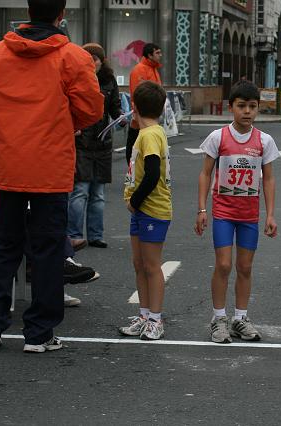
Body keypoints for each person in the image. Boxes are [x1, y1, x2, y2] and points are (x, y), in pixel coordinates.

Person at [0, 0, 104, 353]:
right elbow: (90, 109)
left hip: (6, 163)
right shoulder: (72, 56)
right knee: (47, 249)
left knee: (2, 247)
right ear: (61, 15)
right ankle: (39, 334)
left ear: (28, 10)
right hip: (50, 166)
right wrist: (61, 122)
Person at [195, 80, 279, 344]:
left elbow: (268, 179)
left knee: (245, 267)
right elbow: (206, 173)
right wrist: (202, 209)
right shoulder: (218, 137)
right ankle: (218, 318)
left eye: (252, 107)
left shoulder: (264, 140)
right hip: (223, 212)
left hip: (249, 215)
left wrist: (270, 214)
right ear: (230, 107)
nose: (247, 112)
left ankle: (240, 319)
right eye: (241, 106)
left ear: (258, 109)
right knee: (223, 265)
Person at [118, 81, 172, 341]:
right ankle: (143, 315)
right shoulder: (147, 131)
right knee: (139, 264)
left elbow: (151, 174)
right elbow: (134, 157)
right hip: (142, 211)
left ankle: (155, 319)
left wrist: (134, 201)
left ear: (135, 107)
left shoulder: (151, 135)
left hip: (152, 210)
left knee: (151, 266)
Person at [68, 43, 123, 250]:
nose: (92, 63)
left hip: (102, 141)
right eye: (88, 59)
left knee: (98, 193)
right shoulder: (76, 77)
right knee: (80, 190)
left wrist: (122, 118)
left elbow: (115, 107)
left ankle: (96, 235)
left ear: (102, 61)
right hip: (81, 141)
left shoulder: (109, 80)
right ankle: (74, 234)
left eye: (95, 60)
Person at [126, 42, 162, 164]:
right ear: (149, 55)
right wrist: (138, 112)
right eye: (157, 53)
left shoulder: (154, 69)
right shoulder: (139, 70)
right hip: (143, 115)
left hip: (152, 114)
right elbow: (138, 94)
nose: (160, 55)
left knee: (149, 147)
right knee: (136, 145)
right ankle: (133, 168)